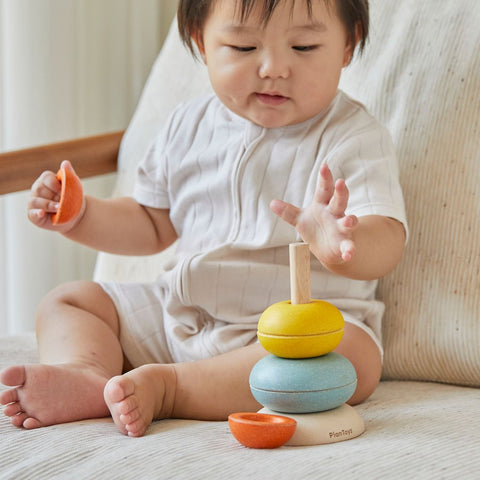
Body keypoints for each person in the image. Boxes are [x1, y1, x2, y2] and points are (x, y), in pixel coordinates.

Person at [0, 0, 407, 438]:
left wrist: (344, 247)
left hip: (289, 335)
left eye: (304, 47)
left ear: (348, 47)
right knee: (69, 300)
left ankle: (171, 388)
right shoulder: (185, 127)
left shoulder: (354, 138)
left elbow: (387, 238)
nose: (273, 68)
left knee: (355, 356)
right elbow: (151, 224)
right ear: (202, 44)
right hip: (182, 311)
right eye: (242, 46)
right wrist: (81, 215)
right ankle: (86, 372)